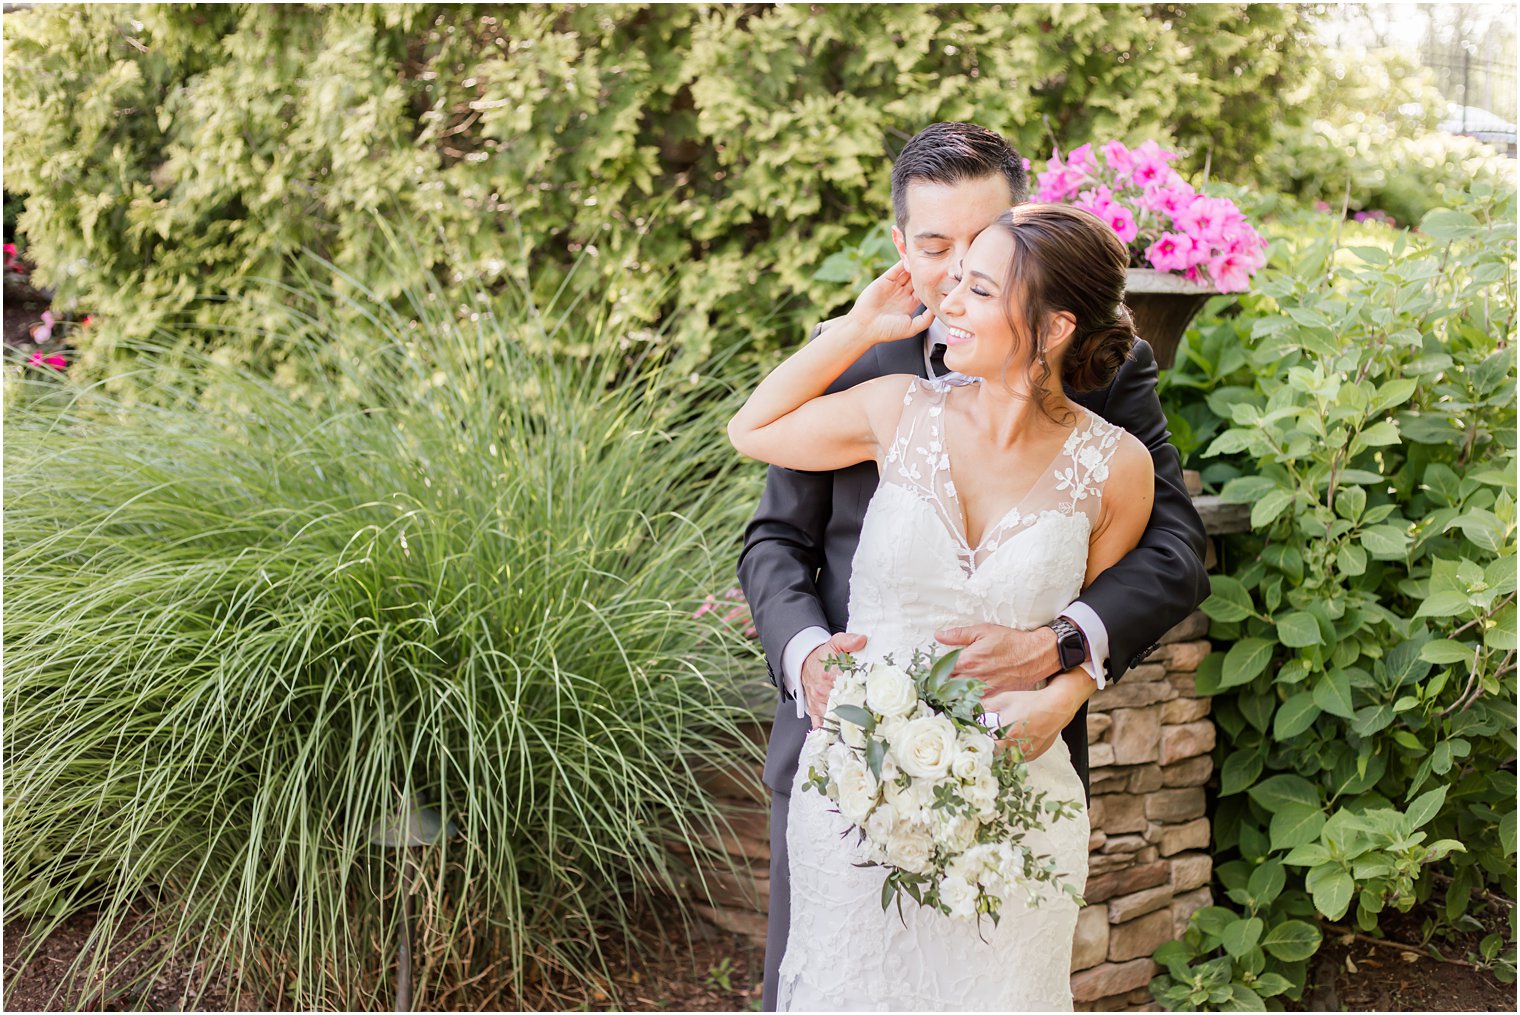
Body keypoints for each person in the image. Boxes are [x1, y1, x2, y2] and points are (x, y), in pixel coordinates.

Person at [735, 122, 1210, 1010]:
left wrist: (1064, 661)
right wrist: (808, 661)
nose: (954, 278)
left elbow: (1167, 553)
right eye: (935, 247)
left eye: (981, 250)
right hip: (844, 757)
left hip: (1010, 771)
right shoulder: (861, 368)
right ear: (900, 246)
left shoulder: (1107, 381)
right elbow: (773, 542)